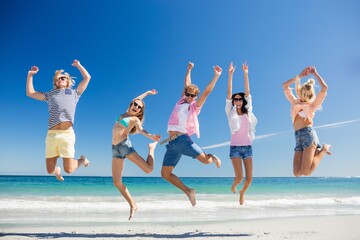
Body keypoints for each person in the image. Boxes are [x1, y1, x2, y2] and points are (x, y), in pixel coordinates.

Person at [161, 62, 222, 207]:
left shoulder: (194, 106)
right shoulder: (180, 101)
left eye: (191, 95)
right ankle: (188, 191)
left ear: (195, 97)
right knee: (165, 174)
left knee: (206, 161)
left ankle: (212, 157)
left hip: (183, 140)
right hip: (172, 144)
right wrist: (189, 70)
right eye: (187, 94)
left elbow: (207, 92)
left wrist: (216, 76)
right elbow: (186, 83)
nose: (188, 97)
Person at [26, 59, 91, 181]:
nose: (61, 80)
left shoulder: (74, 93)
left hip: (67, 134)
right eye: (58, 78)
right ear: (55, 82)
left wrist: (78, 65)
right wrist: (30, 75)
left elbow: (87, 78)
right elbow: (30, 93)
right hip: (52, 135)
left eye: (63, 78)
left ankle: (82, 160)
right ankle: (56, 170)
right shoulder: (50, 95)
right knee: (50, 170)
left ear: (67, 82)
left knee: (69, 170)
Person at [112, 89, 161, 220]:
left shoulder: (134, 119)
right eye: (135, 104)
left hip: (125, 147)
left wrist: (150, 136)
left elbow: (141, 130)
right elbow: (136, 98)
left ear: (139, 112)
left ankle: (151, 149)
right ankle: (133, 205)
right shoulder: (124, 114)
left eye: (139, 107)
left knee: (149, 170)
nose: (137, 107)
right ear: (131, 104)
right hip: (115, 149)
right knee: (117, 182)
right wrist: (147, 93)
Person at [282, 66, 331, 177]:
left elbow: (324, 88)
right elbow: (285, 86)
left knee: (306, 172)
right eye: (302, 93)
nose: (304, 96)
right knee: (296, 173)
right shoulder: (294, 102)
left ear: (310, 95)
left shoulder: (312, 106)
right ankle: (317, 151)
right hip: (298, 138)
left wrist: (315, 73)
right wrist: (299, 76)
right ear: (299, 92)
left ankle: (322, 150)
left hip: (308, 135)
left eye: (307, 95)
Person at [225, 62, 257, 205]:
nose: (237, 100)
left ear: (242, 101)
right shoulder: (230, 112)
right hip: (235, 148)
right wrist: (230, 75)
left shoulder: (248, 111)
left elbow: (248, 92)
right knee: (239, 178)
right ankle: (234, 185)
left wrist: (245, 73)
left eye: (239, 99)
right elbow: (228, 92)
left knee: (249, 179)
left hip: (248, 147)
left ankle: (242, 193)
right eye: (235, 99)